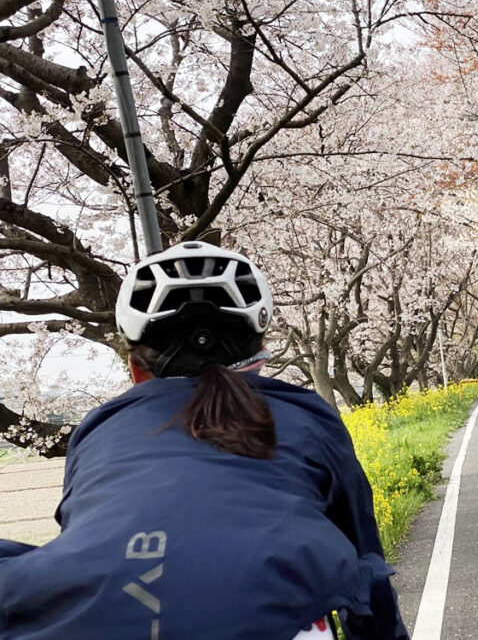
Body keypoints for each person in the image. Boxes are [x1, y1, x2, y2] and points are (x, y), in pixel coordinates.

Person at [0, 242, 409, 640]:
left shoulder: (99, 425)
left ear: (136, 369)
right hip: (275, 613)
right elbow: (364, 557)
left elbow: (85, 528)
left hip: (87, 616)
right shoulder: (307, 413)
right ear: (261, 358)